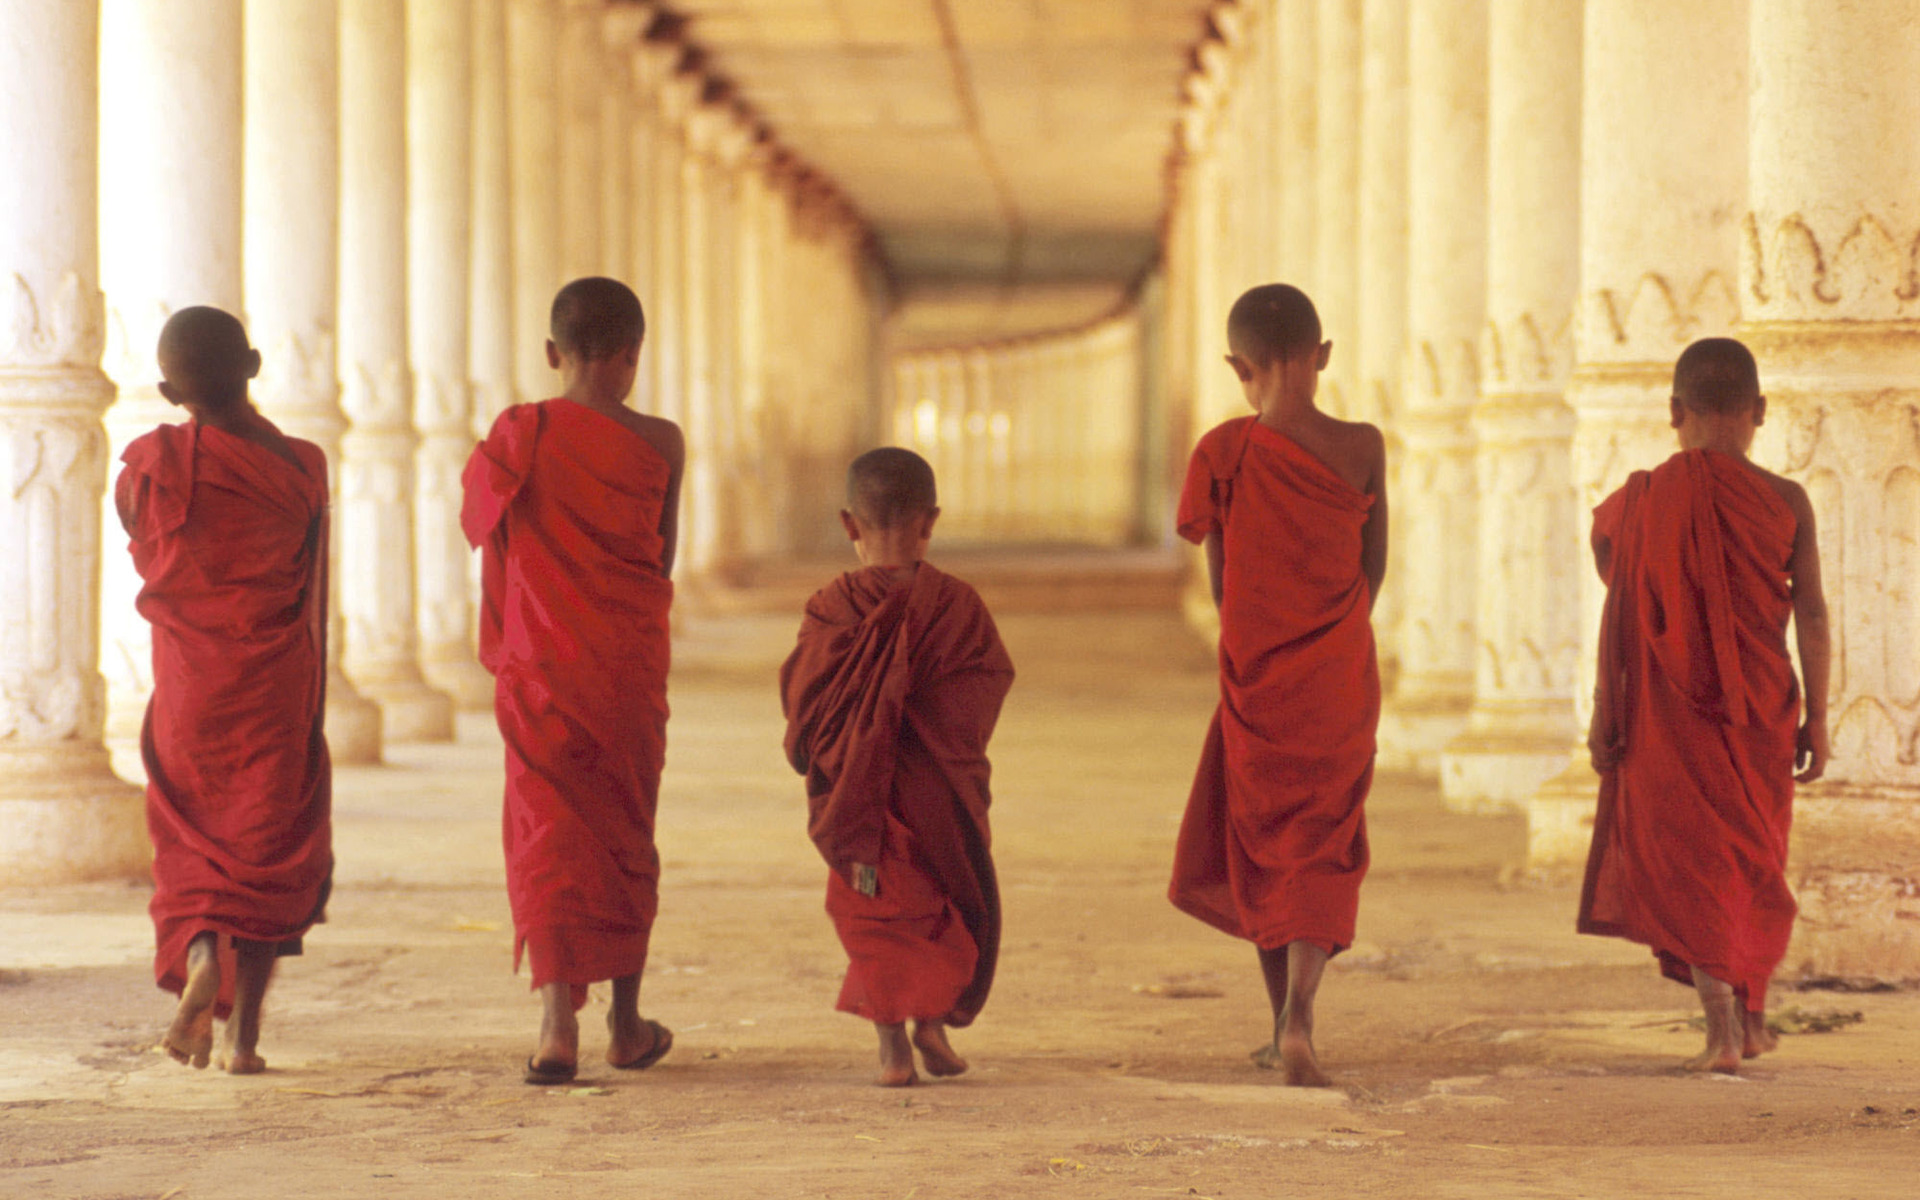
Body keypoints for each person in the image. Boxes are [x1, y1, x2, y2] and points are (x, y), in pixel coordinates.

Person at [1579, 336, 1829, 1075]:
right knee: (1750, 860)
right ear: (1759, 411)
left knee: (1693, 861)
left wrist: (1605, 709)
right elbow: (1811, 612)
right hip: (1761, 710)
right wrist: (1821, 713)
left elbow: (1626, 606)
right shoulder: (1786, 499)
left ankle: (1724, 1029)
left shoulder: (1643, 502)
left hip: (1669, 716)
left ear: (1673, 412)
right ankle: (1747, 1021)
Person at [461, 277, 684, 1085]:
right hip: (624, 667)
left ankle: (558, 1025)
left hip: (542, 669)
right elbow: (659, 561)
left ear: (553, 355)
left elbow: (493, 540)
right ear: (633, 356)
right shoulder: (662, 442)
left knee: (546, 835)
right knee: (625, 833)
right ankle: (625, 1025)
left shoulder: (518, 434)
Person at [1169, 283, 1388, 1087]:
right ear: (1322, 356)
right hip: (1336, 677)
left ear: (1238, 367)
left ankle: (1279, 1026)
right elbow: (1374, 570)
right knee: (1322, 843)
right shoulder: (1363, 445)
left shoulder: (1223, 454)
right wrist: (1330, 637)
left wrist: (1264, 648)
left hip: (1258, 681)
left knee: (1261, 841)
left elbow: (1223, 589)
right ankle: (1298, 1016)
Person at [117, 306, 334, 1076]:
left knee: (195, 845)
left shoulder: (146, 468)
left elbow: (151, 549)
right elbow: (313, 589)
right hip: (273, 684)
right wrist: (314, 701)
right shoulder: (302, 465)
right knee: (272, 847)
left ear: (169, 389)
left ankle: (204, 951)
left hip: (188, 689)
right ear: (253, 364)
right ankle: (243, 1040)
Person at [780, 448, 1016, 1087]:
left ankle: (895, 1048)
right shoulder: (958, 606)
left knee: (877, 912)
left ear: (848, 524)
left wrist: (843, 740)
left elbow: (803, 705)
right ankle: (931, 1026)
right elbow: (987, 682)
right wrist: (941, 742)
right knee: (942, 899)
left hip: (861, 799)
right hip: (937, 791)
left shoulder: (832, 609)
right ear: (930, 521)